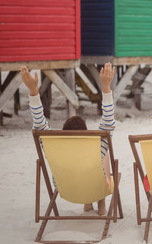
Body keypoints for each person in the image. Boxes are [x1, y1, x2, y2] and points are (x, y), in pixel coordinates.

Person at [20, 62, 116, 216]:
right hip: (95, 187)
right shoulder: (98, 144)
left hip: (66, 189)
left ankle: (87, 202)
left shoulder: (52, 144)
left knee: (92, 160)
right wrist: (106, 87)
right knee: (102, 157)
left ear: (64, 133)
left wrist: (33, 91)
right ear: (85, 133)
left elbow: (39, 122)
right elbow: (109, 120)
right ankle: (100, 202)